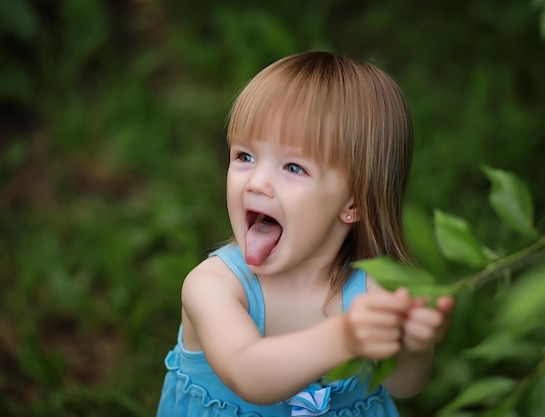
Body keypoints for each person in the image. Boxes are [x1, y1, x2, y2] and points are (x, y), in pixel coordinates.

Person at [156, 51, 455, 417]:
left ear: (354, 203)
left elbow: (405, 385)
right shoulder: (212, 285)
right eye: (245, 156)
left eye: (294, 167)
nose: (257, 182)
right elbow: (247, 372)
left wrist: (413, 345)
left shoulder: (371, 291)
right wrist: (345, 337)